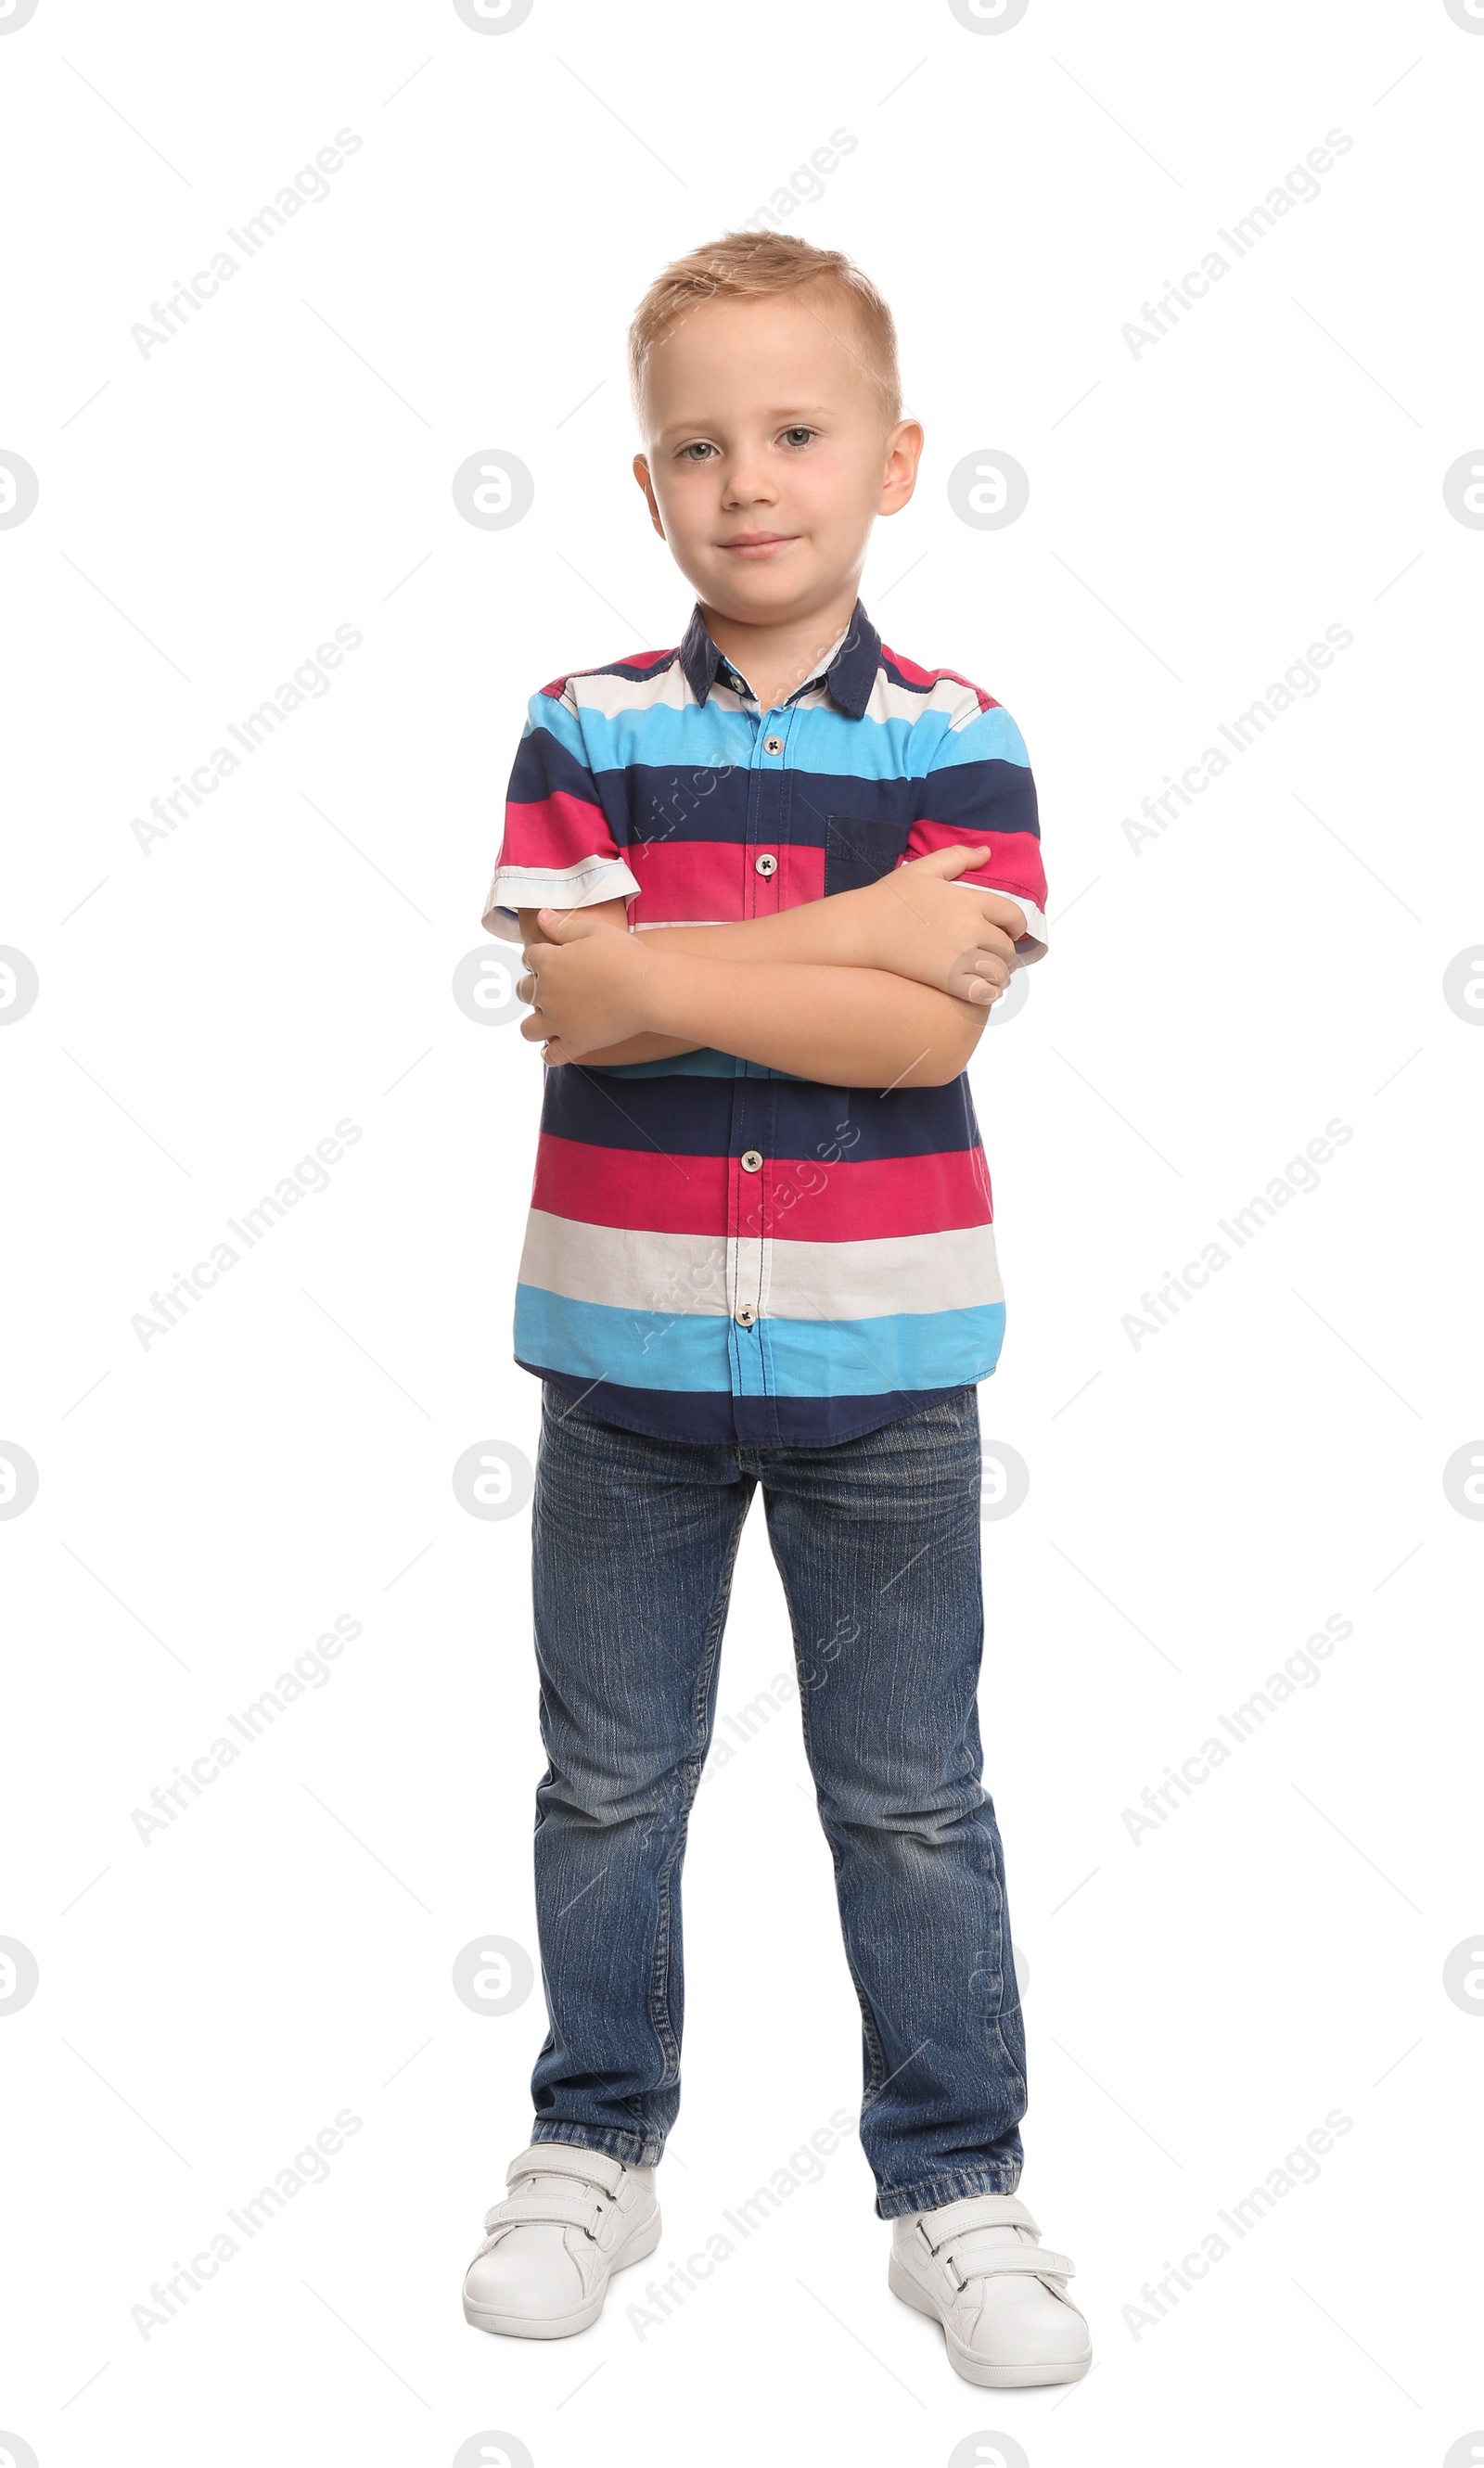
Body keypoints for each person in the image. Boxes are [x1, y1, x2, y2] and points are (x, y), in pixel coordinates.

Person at [459, 229, 1091, 2390]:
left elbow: (922, 1044)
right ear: (645, 487)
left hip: (884, 1365)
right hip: (622, 1357)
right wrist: (838, 939)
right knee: (607, 1776)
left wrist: (662, 979)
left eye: (797, 433)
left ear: (892, 459)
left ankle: (952, 2180)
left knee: (907, 1790)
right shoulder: (582, 722)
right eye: (696, 445)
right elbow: (569, 995)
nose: (749, 480)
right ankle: (592, 2137)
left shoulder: (961, 735)